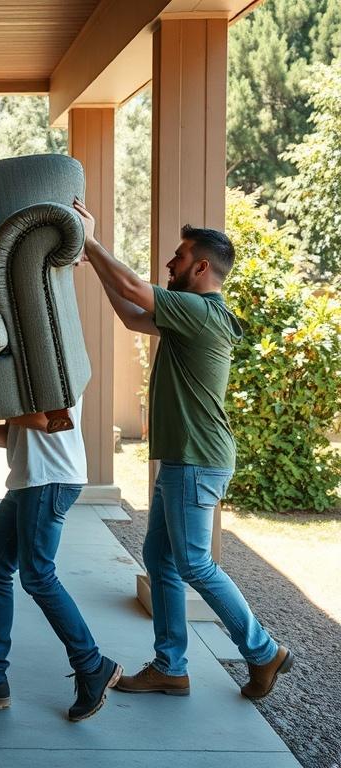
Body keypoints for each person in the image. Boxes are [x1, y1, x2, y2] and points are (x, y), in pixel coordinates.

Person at [72, 197, 292, 700]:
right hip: (184, 459)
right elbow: (131, 314)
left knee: (194, 563)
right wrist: (95, 264)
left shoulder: (201, 312)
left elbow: (134, 288)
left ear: (201, 266)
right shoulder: (188, 315)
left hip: (198, 459)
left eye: (176, 256)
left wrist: (90, 240)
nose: (168, 264)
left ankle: (262, 651)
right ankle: (171, 667)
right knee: (161, 557)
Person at [0, 399, 122, 722]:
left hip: (49, 479)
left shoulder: (56, 352)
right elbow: (14, 433)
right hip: (29, 479)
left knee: (38, 576)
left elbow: (54, 420)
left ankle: (93, 666)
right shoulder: (25, 364)